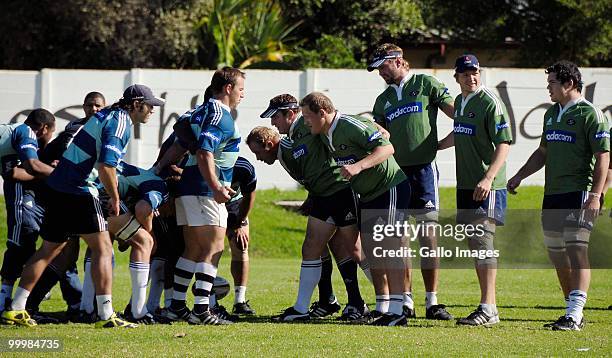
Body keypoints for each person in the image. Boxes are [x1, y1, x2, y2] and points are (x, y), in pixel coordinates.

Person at [1, 84, 163, 328]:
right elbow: (106, 166)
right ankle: (106, 315)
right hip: (78, 189)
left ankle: (16, 308)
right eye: (150, 105)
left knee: (48, 250)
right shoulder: (120, 121)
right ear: (137, 104)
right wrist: (115, 198)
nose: (152, 110)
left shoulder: (109, 114)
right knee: (104, 249)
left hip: (56, 187)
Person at [507, 60, 609, 331]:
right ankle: (570, 309)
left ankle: (575, 314)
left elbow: (603, 158)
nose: (548, 88)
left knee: (577, 250)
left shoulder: (592, 114)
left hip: (580, 192)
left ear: (569, 84)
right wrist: (519, 175)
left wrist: (596, 196)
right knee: (556, 253)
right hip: (552, 194)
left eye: (552, 83)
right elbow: (543, 152)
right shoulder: (551, 113)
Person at [249, 94, 370, 323]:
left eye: (275, 117)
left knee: (355, 250)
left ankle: (392, 301)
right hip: (323, 196)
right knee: (312, 248)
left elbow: (341, 124)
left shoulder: (309, 125)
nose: (273, 123)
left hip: (341, 191)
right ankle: (303, 307)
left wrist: (375, 129)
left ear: (290, 113)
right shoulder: (293, 136)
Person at [300, 91, 410, 326]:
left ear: (323, 113)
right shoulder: (323, 133)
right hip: (368, 193)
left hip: (389, 187)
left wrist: (358, 166)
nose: (305, 121)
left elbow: (387, 148)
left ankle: (400, 309)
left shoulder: (348, 126)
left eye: (308, 116)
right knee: (371, 249)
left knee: (388, 247)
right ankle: (383, 307)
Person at [368, 43, 455, 320]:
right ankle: (405, 300)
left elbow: (457, 111)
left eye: (383, 66)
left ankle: (433, 301)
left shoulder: (425, 82)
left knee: (428, 236)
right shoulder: (382, 101)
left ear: (398, 60)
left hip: (424, 171)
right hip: (396, 174)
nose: (381, 72)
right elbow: (379, 137)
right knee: (399, 240)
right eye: (378, 68)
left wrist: (444, 143)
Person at [157, 67, 244, 325]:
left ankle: (177, 306)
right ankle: (202, 310)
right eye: (241, 89)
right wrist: (217, 186)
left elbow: (180, 138)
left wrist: (158, 168)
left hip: (189, 188)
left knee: (193, 249)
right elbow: (205, 152)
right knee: (214, 247)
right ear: (228, 88)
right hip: (206, 190)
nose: (242, 95)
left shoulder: (200, 110)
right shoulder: (221, 115)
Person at [438, 54, 512, 326]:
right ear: (456, 77)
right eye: (466, 73)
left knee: (483, 242)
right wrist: (435, 145)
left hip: (486, 184)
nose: (472, 77)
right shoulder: (460, 101)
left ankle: (489, 309)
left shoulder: (489, 101)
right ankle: (486, 305)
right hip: (466, 184)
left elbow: (504, 143)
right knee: (474, 244)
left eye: (476, 72)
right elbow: (459, 133)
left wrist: (489, 177)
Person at [26, 91, 107, 322]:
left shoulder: (102, 128)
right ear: (83, 107)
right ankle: (92, 309)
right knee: (81, 251)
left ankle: (28, 304)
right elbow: (49, 156)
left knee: (64, 254)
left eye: (99, 106)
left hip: (82, 195)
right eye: (91, 105)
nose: (94, 109)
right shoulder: (75, 130)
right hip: (72, 197)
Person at [0, 109, 56, 316]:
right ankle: (6, 299)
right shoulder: (26, 132)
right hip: (19, 197)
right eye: (51, 133)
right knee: (21, 237)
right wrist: (61, 174)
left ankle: (9, 297)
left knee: (25, 237)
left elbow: (13, 170)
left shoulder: (11, 138)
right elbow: (26, 169)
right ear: (44, 128)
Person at [225, 156, 257, 315]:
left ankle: (240, 301)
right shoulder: (203, 157)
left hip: (234, 204)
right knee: (206, 249)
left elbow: (250, 195)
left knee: (241, 245)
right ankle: (207, 301)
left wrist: (240, 222)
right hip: (206, 202)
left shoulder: (243, 167)